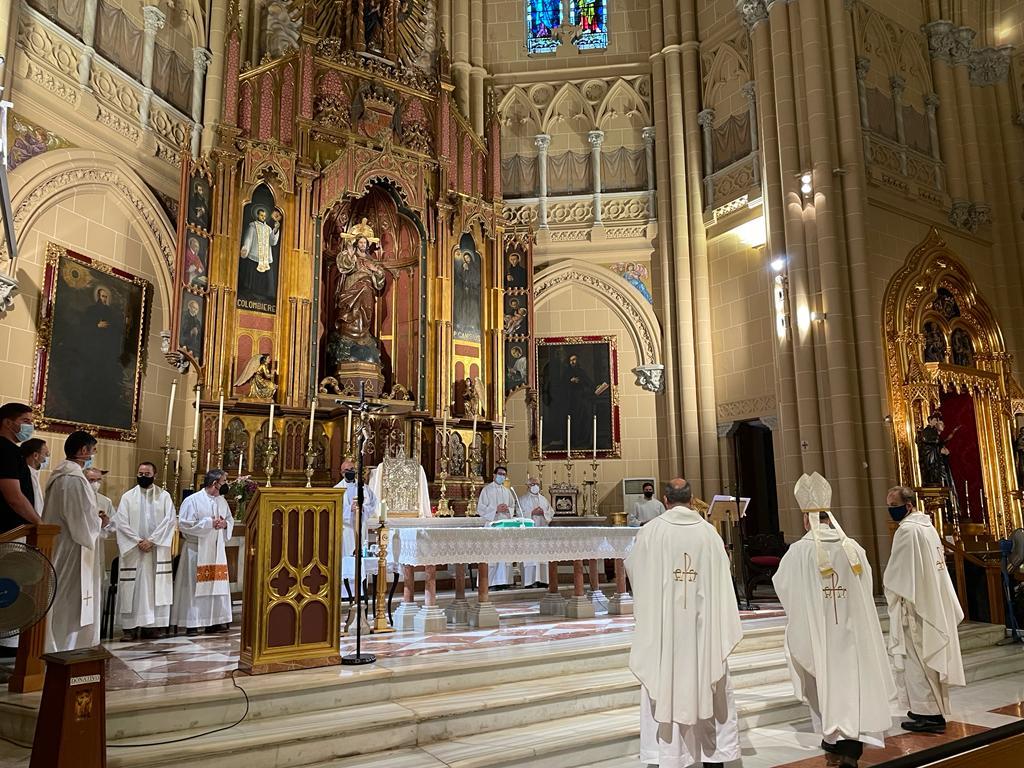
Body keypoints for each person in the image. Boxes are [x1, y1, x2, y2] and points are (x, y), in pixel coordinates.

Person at [773, 473, 896, 767]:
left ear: (807, 520)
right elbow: (865, 589)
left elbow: (784, 589)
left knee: (825, 686)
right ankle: (851, 750)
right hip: (852, 634)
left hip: (820, 636)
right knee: (851, 686)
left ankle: (833, 743)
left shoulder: (798, 552)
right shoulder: (853, 548)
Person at [625, 478, 742, 768]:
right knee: (708, 681)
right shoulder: (709, 534)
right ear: (692, 500)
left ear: (665, 499)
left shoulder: (650, 533)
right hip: (704, 633)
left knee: (665, 681)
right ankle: (710, 754)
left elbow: (635, 570)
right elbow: (723, 576)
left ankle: (669, 755)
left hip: (665, 634)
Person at [883, 486, 965, 734]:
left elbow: (897, 575)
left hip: (916, 606)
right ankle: (927, 708)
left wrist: (890, 587)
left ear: (908, 506)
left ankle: (927, 713)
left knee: (918, 661)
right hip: (930, 601)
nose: (890, 511)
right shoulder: (927, 527)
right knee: (925, 659)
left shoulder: (907, 531)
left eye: (893, 505)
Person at [43, 431, 103, 653]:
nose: (93, 454)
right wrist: (98, 521)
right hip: (73, 546)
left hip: (62, 542)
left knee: (62, 597)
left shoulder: (60, 474)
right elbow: (80, 518)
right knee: (70, 599)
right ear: (83, 451)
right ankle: (66, 648)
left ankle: (60, 645)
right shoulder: (74, 479)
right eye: (92, 450)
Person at [113, 462, 177, 640]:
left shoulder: (164, 496)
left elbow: (169, 520)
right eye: (140, 473)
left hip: (155, 550)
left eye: (147, 473)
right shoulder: (128, 497)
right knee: (132, 588)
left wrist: (153, 541)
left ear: (154, 475)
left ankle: (153, 626)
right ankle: (130, 627)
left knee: (154, 587)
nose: (142, 476)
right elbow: (121, 522)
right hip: (134, 550)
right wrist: (138, 541)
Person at [172, 470, 235, 636]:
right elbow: (184, 524)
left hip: (216, 550)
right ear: (214, 483)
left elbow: (229, 519)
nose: (225, 484)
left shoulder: (222, 501)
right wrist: (209, 523)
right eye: (223, 481)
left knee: (216, 586)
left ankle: (213, 621)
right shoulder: (192, 500)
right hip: (196, 550)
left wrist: (224, 524)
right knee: (194, 587)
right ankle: (192, 622)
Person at [0, 402, 41, 532]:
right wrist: (39, 522)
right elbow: (14, 497)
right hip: (7, 531)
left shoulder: (12, 450)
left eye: (31, 422)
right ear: (7, 423)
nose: (30, 426)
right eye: (25, 421)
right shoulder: (5, 450)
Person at [477, 466, 519, 589]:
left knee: (505, 555)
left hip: (505, 527)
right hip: (492, 526)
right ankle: (490, 583)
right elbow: (481, 508)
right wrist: (495, 509)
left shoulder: (507, 491)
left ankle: (504, 581)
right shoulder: (487, 490)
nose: (502, 476)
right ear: (494, 475)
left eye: (504, 474)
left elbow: (513, 506)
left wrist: (508, 509)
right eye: (500, 474)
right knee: (492, 555)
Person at [334, 457, 379, 557]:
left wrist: (363, 509)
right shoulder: (336, 490)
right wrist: (350, 509)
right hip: (346, 529)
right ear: (342, 473)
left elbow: (373, 504)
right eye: (347, 470)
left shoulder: (364, 488)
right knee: (347, 556)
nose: (350, 472)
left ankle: (361, 573)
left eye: (352, 470)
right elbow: (334, 510)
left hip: (361, 526)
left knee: (361, 556)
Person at [520, 477, 553, 588]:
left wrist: (544, 513)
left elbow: (550, 512)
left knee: (542, 557)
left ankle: (543, 580)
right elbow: (519, 514)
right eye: (533, 484)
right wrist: (531, 512)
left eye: (537, 484)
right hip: (529, 534)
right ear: (528, 486)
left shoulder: (544, 499)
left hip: (542, 531)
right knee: (530, 557)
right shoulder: (522, 500)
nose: (535, 486)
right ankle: (529, 581)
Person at [19, 437, 49, 519]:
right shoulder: (24, 476)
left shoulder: (34, 473)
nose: (47, 458)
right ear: (35, 455)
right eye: (46, 454)